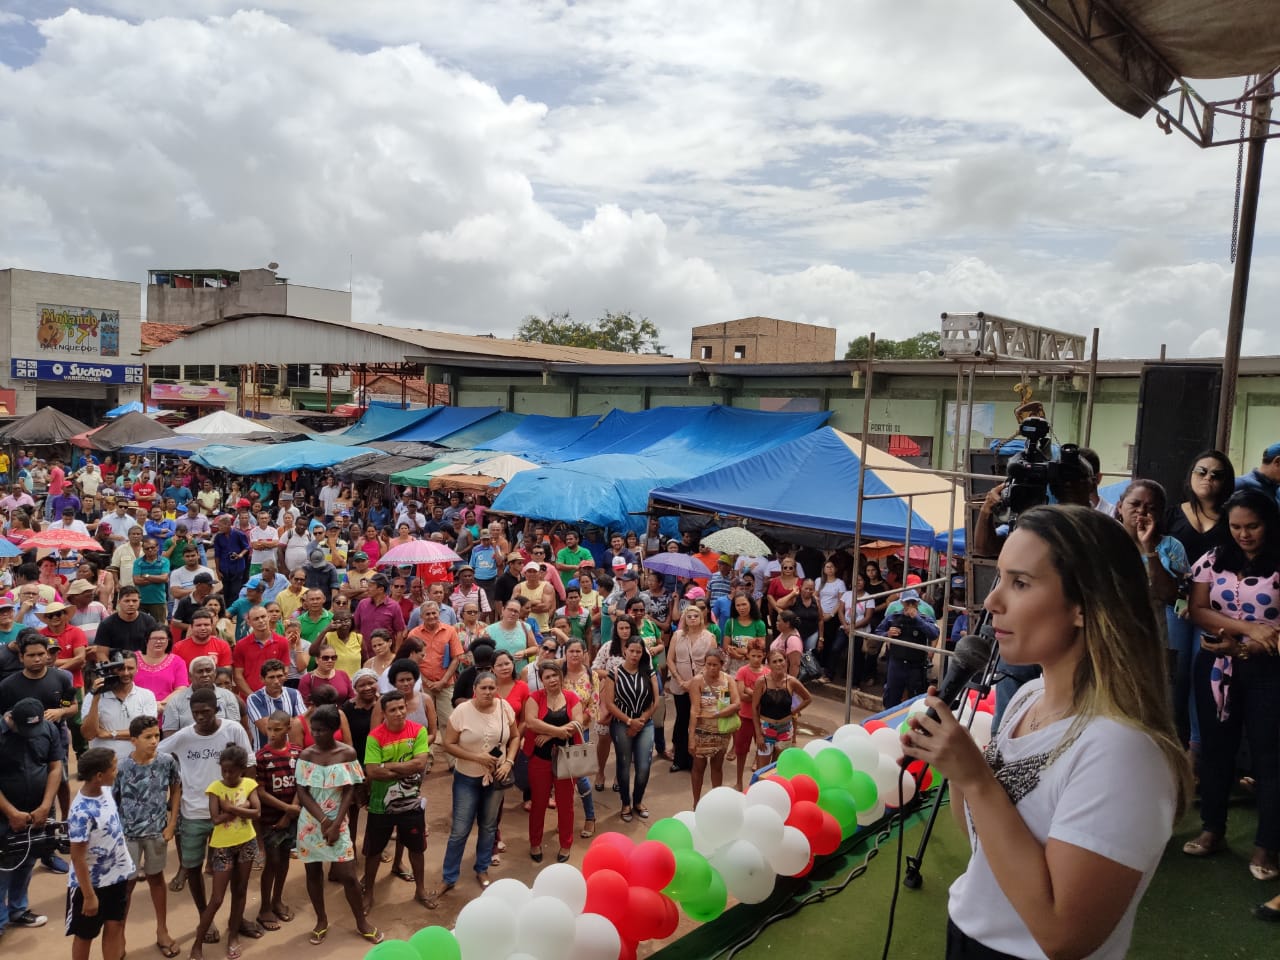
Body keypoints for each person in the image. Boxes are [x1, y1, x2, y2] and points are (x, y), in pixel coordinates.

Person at [902, 504, 1189, 957]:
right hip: (967, 937)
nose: (992, 602)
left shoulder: (1124, 752)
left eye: (1020, 583)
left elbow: (1062, 935)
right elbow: (984, 844)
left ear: (1083, 605)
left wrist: (976, 778)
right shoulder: (1027, 697)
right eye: (1000, 578)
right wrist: (958, 768)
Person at [1185, 488, 1280, 884]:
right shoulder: (1214, 558)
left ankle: (1267, 845)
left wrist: (1245, 645)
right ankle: (1213, 829)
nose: (1243, 534)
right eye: (1236, 526)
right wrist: (1248, 629)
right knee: (1216, 750)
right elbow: (1198, 609)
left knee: (1269, 757)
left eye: (1252, 526)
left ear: (1269, 524)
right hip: (1215, 666)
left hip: (1270, 670)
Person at [158, 689, 254, 933]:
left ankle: (237, 920)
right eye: (195, 713)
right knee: (193, 868)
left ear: (217, 709)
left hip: (229, 815)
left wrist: (245, 801)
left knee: (235, 873)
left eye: (206, 712)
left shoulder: (233, 730)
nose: (200, 717)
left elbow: (250, 764)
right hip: (193, 814)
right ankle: (205, 918)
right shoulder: (184, 736)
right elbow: (156, 753)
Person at [1164, 450, 1233, 749]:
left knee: (1203, 675)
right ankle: (1169, 742)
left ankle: (1196, 748)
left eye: (1217, 474)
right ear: (1190, 475)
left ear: (1226, 482)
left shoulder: (1232, 519)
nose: (1208, 478)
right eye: (1202, 471)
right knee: (1175, 675)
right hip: (1174, 606)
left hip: (1214, 609)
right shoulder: (1170, 515)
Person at [295, 704, 381, 945]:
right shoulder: (306, 755)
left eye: (321, 730)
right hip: (311, 823)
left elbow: (349, 789)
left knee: (348, 875)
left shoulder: (347, 753)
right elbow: (302, 792)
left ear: (334, 730)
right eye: (313, 729)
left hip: (338, 821)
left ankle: (361, 923)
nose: (316, 734)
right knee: (313, 873)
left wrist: (335, 824)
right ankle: (321, 920)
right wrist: (324, 821)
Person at [437, 669, 520, 899]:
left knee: (489, 825)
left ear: (497, 689)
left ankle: (482, 868)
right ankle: (449, 876)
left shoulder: (504, 708)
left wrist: (509, 762)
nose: (488, 692)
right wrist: (476, 757)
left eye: (492, 688)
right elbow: (448, 744)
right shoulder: (462, 711)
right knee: (460, 829)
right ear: (474, 689)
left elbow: (515, 737)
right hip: (467, 778)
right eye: (483, 688)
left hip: (497, 777)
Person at [113, 715, 180, 958]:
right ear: (133, 740)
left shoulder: (166, 761)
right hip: (128, 835)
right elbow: (114, 799)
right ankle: (119, 935)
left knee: (156, 879)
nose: (154, 741)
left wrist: (171, 823)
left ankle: (162, 930)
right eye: (148, 737)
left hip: (157, 832)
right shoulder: (121, 767)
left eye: (156, 736)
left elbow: (176, 788)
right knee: (126, 886)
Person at [360, 690, 432, 910]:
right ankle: (368, 893)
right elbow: (373, 772)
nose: (399, 713)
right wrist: (405, 769)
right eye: (393, 710)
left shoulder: (418, 731)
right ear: (384, 713)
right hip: (380, 805)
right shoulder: (374, 737)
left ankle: (420, 890)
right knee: (374, 851)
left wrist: (387, 766)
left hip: (411, 803)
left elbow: (420, 764)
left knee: (417, 849)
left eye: (402, 708)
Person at [0, 697, 62, 939]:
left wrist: (46, 806)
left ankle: (17, 910)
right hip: (4, 814)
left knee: (27, 859)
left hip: (36, 811)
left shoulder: (47, 729)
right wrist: (11, 813)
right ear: (11, 719)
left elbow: (55, 767)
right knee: (3, 865)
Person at [191, 744, 260, 960]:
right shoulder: (215, 788)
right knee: (217, 898)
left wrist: (231, 809)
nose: (227, 775)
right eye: (224, 770)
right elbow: (215, 819)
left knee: (240, 890)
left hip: (247, 843)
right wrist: (242, 809)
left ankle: (233, 936)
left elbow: (257, 812)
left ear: (242, 769)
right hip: (223, 847)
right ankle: (197, 944)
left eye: (232, 771)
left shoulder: (250, 784)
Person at [67, 747, 134, 960]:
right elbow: (77, 857)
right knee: (85, 934)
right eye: (113, 768)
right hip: (90, 885)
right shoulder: (81, 812)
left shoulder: (105, 791)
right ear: (98, 776)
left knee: (115, 925)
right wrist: (89, 896)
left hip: (116, 876)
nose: (117, 771)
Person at [523, 659, 584, 863]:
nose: (552, 680)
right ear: (542, 680)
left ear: (561, 676)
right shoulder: (535, 697)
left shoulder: (571, 697)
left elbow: (578, 724)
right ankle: (535, 842)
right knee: (538, 803)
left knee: (566, 804)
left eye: (555, 675)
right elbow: (531, 723)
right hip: (540, 759)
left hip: (566, 759)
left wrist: (550, 734)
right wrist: (559, 731)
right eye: (547, 677)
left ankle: (566, 844)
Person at [601, 633, 659, 820]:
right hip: (621, 724)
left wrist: (640, 721)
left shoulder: (648, 672)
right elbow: (610, 703)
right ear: (625, 651)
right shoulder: (614, 673)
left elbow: (656, 700)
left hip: (645, 723)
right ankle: (626, 803)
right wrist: (629, 721)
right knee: (624, 764)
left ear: (643, 653)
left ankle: (638, 801)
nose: (634, 655)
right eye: (632, 651)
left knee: (644, 766)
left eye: (638, 652)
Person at [254, 711, 301, 933]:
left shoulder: (297, 753)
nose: (272, 734)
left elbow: (301, 785)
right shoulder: (261, 757)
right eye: (269, 729)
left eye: (277, 729)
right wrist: (286, 809)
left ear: (288, 729)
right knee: (272, 862)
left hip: (290, 819)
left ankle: (277, 900)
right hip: (270, 821)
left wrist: (289, 814)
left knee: (284, 860)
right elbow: (260, 792)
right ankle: (264, 908)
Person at [666, 605, 717, 773]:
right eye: (689, 616)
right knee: (682, 719)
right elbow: (670, 659)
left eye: (696, 616)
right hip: (679, 684)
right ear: (684, 619)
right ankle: (679, 759)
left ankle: (696, 759)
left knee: (697, 720)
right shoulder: (677, 635)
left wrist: (693, 682)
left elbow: (712, 662)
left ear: (701, 618)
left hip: (700, 684)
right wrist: (680, 680)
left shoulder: (709, 637)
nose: (693, 618)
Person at [684, 648, 739, 804]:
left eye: (715, 665)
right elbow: (694, 710)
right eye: (708, 664)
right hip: (701, 732)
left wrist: (716, 715)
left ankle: (716, 802)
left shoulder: (728, 680)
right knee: (698, 767)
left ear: (722, 664)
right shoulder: (697, 681)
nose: (711, 668)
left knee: (717, 767)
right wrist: (691, 738)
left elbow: (737, 704)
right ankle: (696, 803)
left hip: (722, 731)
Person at [81, 652, 159, 758]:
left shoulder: (147, 695)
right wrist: (96, 698)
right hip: (104, 762)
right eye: (121, 669)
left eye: (130, 668)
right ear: (112, 669)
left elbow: (147, 732)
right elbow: (89, 734)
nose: (126, 673)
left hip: (137, 762)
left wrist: (110, 734)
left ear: (137, 669)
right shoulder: (92, 697)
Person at [874, 590, 940, 708]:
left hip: (916, 665)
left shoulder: (924, 618)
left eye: (913, 602)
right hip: (896, 663)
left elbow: (934, 633)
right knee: (891, 697)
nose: (910, 605)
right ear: (902, 603)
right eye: (907, 602)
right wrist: (887, 634)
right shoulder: (893, 617)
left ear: (917, 603)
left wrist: (917, 619)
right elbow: (877, 632)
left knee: (916, 698)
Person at [752, 649, 812, 769]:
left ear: (786, 662)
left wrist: (794, 712)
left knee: (778, 768)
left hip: (785, 730)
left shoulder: (792, 681)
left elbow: (808, 698)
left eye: (781, 660)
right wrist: (758, 734)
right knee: (762, 769)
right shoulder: (761, 682)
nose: (778, 664)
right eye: (774, 661)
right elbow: (754, 708)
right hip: (766, 729)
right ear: (768, 665)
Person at [245, 659, 305, 751]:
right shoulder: (254, 699)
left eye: (279, 676)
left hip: (290, 753)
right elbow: (267, 729)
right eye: (271, 677)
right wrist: (293, 723)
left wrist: (296, 724)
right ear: (262, 679)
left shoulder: (294, 694)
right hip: (263, 754)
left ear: (285, 676)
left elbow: (303, 725)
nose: (276, 681)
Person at [733, 640, 768, 790]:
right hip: (745, 717)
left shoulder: (767, 672)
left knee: (762, 751)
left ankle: (758, 785)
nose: (756, 659)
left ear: (764, 655)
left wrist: (749, 690)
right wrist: (757, 694)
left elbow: (767, 697)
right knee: (741, 751)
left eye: (759, 656)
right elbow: (741, 695)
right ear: (748, 655)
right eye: (753, 655)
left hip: (762, 718)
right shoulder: (742, 671)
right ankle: (739, 781)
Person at [134, 627, 189, 721]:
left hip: (166, 714)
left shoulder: (177, 662)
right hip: (136, 713)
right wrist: (149, 708)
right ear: (146, 640)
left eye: (162, 638)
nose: (158, 642)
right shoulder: (133, 659)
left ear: (169, 640)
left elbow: (181, 689)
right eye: (154, 638)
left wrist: (160, 706)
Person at [95, 586, 159, 656]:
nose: (131, 604)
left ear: (139, 601)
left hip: (143, 661)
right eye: (127, 601)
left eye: (134, 601)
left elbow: (156, 647)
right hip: (116, 661)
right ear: (119, 602)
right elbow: (101, 654)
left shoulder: (149, 621)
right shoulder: (106, 624)